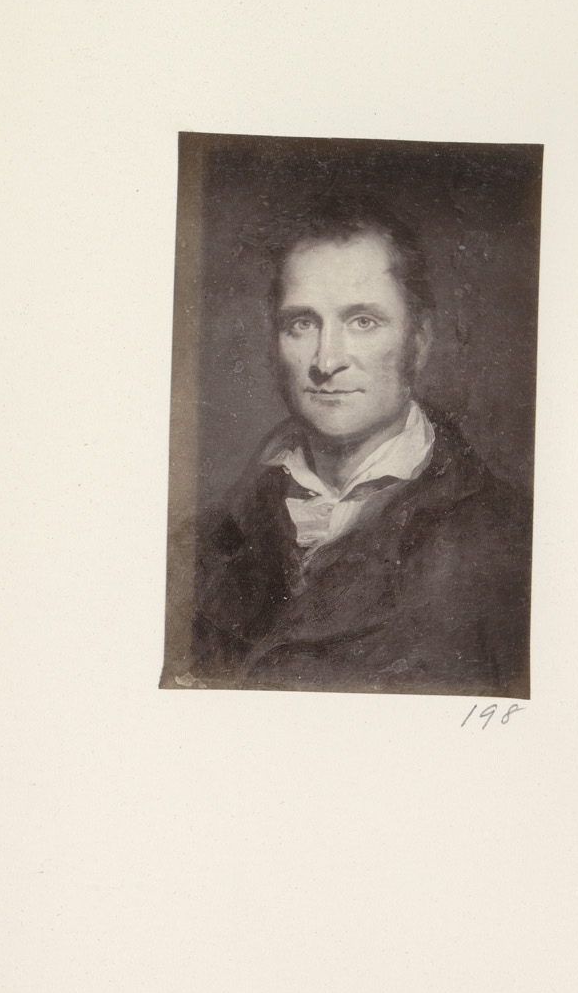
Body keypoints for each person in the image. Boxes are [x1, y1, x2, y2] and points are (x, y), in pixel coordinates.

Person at [177, 197, 530, 694]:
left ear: (419, 340)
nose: (326, 361)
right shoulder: (202, 542)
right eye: (302, 323)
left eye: (362, 321)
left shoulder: (510, 541)